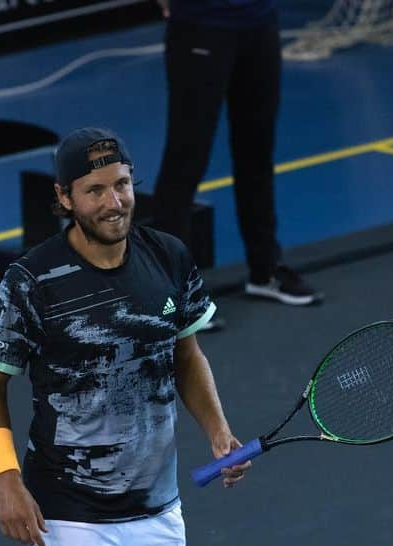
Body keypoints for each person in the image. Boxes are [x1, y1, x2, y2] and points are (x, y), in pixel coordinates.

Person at [0, 127, 251, 546]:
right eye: (94, 190)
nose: (114, 201)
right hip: (66, 506)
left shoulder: (169, 256)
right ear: (65, 198)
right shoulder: (32, 280)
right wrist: (5, 480)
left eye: (121, 185)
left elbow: (186, 355)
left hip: (155, 500)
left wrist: (219, 432)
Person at [151, 0, 320, 329]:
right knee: (186, 159)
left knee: (257, 151)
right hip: (201, 26)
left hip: (259, 24)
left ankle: (265, 271)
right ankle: (174, 298)